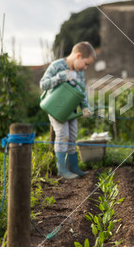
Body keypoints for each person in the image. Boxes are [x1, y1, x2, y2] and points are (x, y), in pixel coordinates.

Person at [40, 41, 96, 179]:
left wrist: (85, 107)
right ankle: (62, 169)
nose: (86, 67)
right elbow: (43, 84)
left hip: (71, 108)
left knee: (72, 134)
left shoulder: (79, 72)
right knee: (62, 134)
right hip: (56, 108)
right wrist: (61, 77)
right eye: (86, 63)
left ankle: (73, 167)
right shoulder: (57, 66)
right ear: (78, 56)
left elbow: (82, 91)